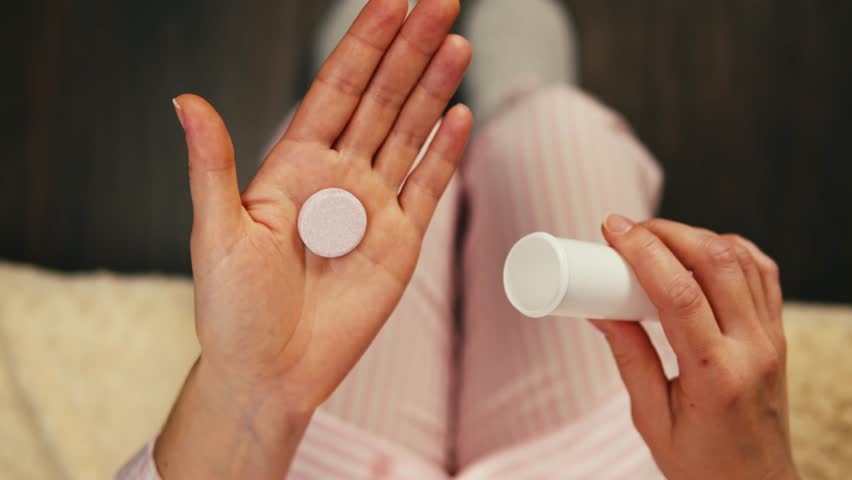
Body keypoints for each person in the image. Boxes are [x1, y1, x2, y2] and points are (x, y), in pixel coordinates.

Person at [119, 0, 799, 478]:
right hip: (593, 464)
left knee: (372, 178)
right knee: (558, 134)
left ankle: (420, 102)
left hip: (301, 458)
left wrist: (251, 395)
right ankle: (520, 99)